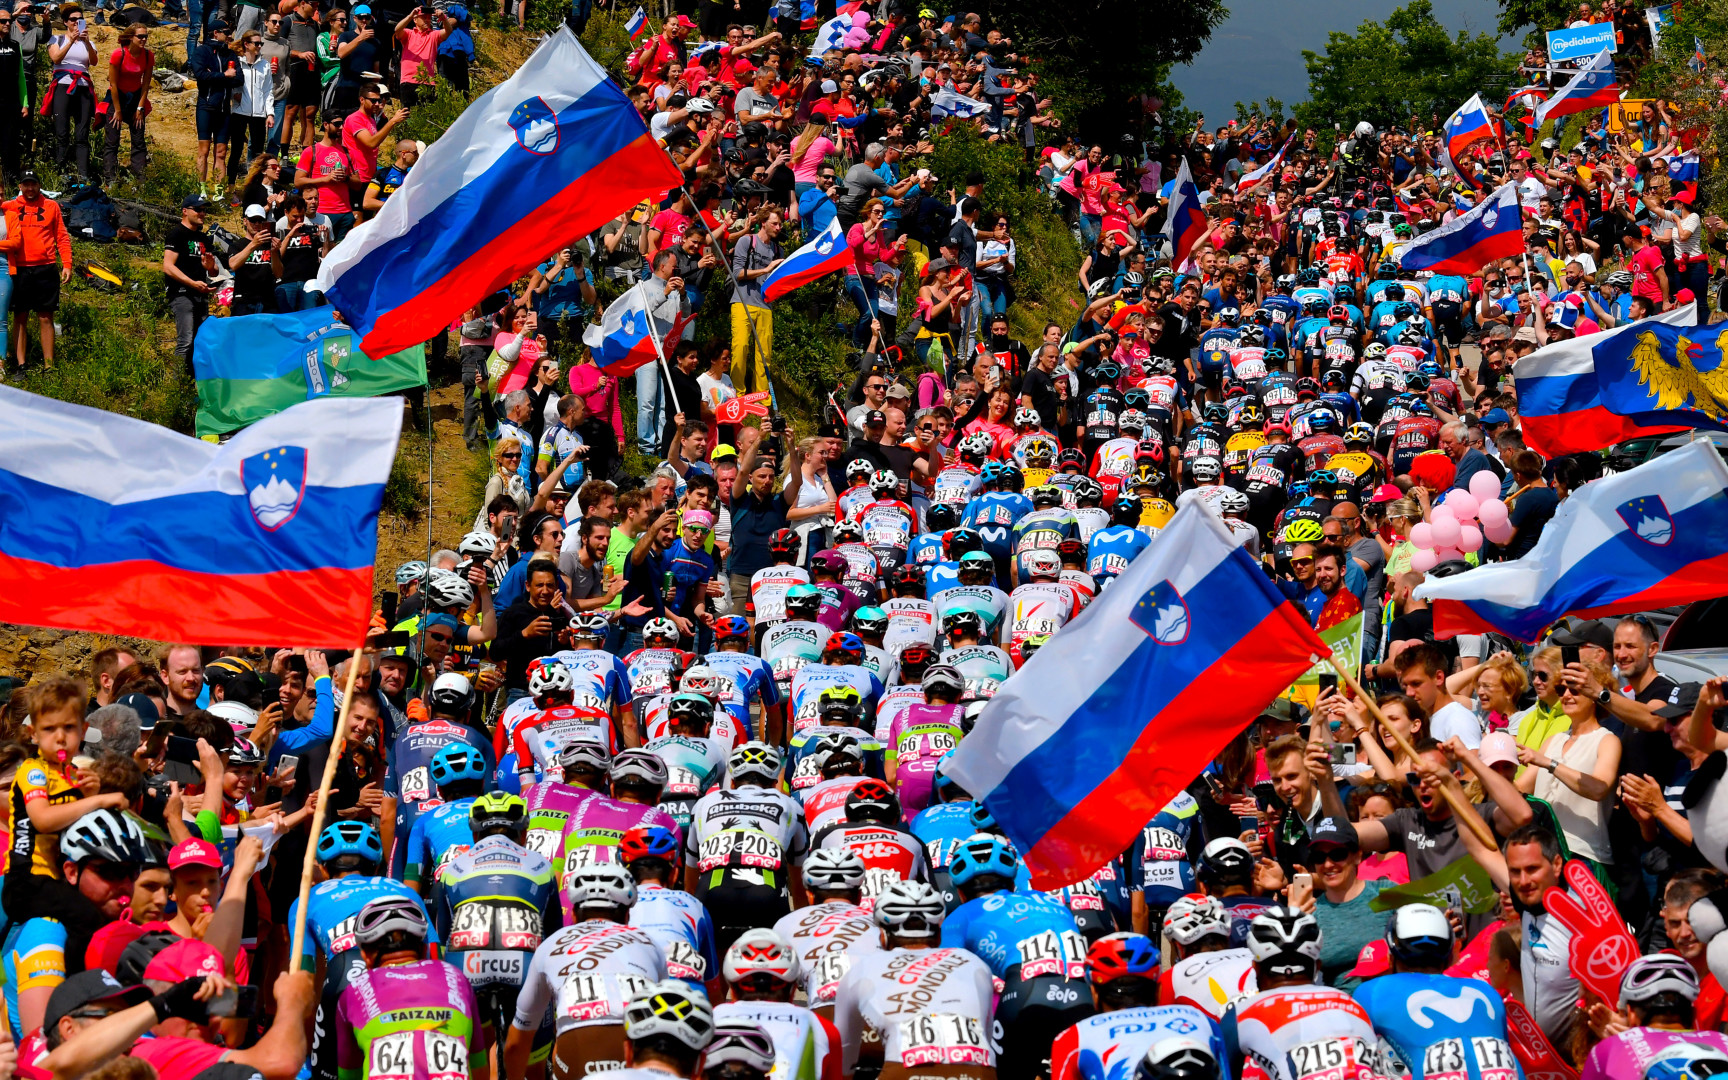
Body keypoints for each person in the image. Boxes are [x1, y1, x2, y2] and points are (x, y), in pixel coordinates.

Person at [6, 170, 70, 373]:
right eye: (26, 184)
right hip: (20, 268)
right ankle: (20, 364)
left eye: (33, 184)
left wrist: (67, 263)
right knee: (20, 316)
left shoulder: (51, 206)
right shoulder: (10, 206)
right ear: (20, 187)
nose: (30, 188)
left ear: (39, 185)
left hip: (46, 267)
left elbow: (61, 236)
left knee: (45, 317)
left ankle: (49, 365)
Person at [162, 194, 216, 370]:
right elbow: (168, 266)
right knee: (185, 340)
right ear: (185, 211)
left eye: (204, 210)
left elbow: (214, 271)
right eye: (198, 209)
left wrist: (210, 268)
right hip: (182, 293)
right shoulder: (177, 234)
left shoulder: (204, 238)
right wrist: (192, 283)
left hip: (200, 293)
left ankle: (193, 382)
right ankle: (177, 387)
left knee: (199, 341)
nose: (202, 213)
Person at [101, 23, 150, 184]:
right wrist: (117, 110)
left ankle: (140, 179)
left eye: (145, 36)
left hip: (135, 97)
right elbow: (113, 84)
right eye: (140, 36)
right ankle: (110, 178)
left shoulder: (148, 55)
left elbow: (146, 83)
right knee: (112, 140)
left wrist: (140, 107)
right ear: (131, 37)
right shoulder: (118, 54)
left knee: (138, 140)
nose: (143, 40)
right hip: (117, 97)